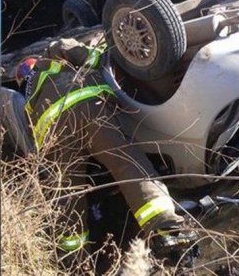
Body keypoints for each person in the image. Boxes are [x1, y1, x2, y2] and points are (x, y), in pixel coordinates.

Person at [16, 37, 196, 258]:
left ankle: (75, 260)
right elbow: (83, 53)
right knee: (125, 162)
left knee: (67, 195)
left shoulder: (28, 101)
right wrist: (99, 51)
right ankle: (165, 226)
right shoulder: (50, 55)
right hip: (89, 110)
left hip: (56, 138)